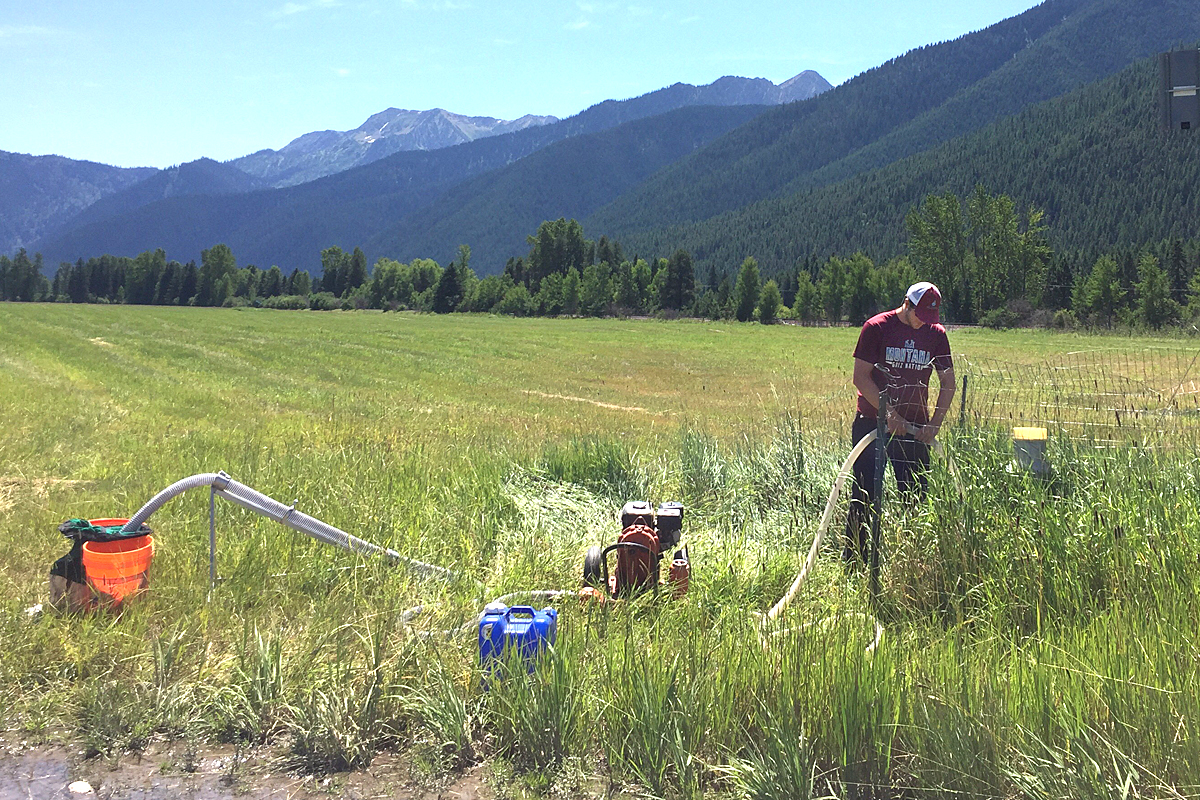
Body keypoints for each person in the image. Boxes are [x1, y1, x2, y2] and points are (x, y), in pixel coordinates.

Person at [844, 281, 955, 562]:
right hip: (872, 424)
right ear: (906, 304)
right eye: (919, 315)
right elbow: (861, 377)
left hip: (916, 430)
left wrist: (934, 424)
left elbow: (948, 383)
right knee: (864, 495)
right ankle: (855, 561)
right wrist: (888, 414)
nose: (922, 323)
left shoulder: (936, 334)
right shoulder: (876, 327)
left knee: (916, 498)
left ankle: (913, 564)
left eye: (929, 318)